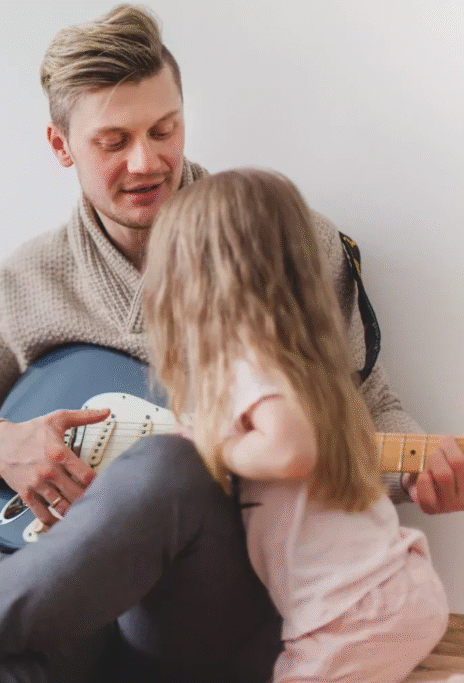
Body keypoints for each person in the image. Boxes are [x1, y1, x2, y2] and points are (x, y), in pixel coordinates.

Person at [0, 3, 462, 682]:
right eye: (113, 141)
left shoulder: (286, 238)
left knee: (169, 465)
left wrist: (421, 467)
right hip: (69, 586)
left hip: (221, 596)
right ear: (62, 146)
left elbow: (363, 402)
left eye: (164, 129)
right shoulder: (30, 281)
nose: (146, 161)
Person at [141, 167, 449, 682]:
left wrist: (211, 445)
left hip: (351, 615)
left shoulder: (252, 363)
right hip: (392, 589)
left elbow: (290, 452)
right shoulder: (307, 368)